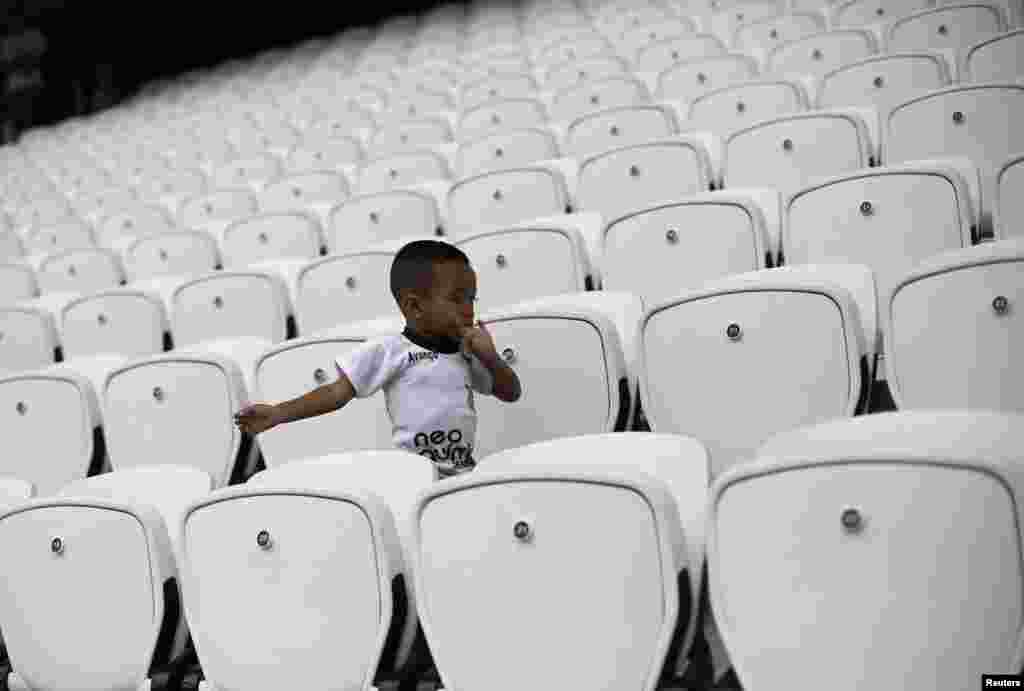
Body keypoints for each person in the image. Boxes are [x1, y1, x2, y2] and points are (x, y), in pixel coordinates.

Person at [234, 239, 522, 478]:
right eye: (458, 298)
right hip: (414, 476)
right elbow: (336, 393)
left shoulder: (468, 352)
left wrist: (491, 357)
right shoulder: (389, 351)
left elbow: (511, 393)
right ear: (415, 306)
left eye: (472, 298)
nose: (468, 308)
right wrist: (278, 413)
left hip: (464, 473)